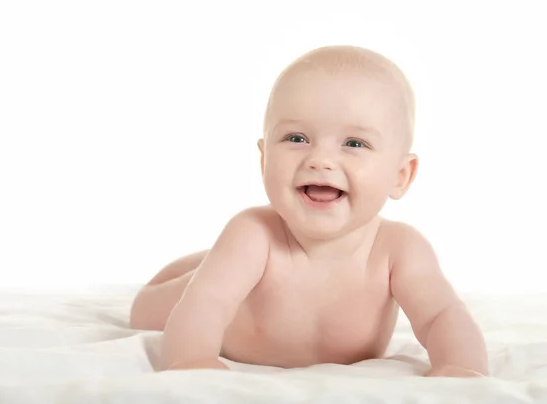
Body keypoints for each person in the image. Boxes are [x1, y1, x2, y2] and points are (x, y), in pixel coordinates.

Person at [129, 45, 489, 377]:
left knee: (219, 268)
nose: (320, 159)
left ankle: (210, 263)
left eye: (354, 143)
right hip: (198, 290)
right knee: (151, 308)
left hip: (237, 266)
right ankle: (206, 266)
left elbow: (442, 315)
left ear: (400, 175)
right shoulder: (254, 235)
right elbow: (206, 303)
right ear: (265, 158)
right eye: (296, 138)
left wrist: (461, 367)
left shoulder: (399, 250)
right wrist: (190, 359)